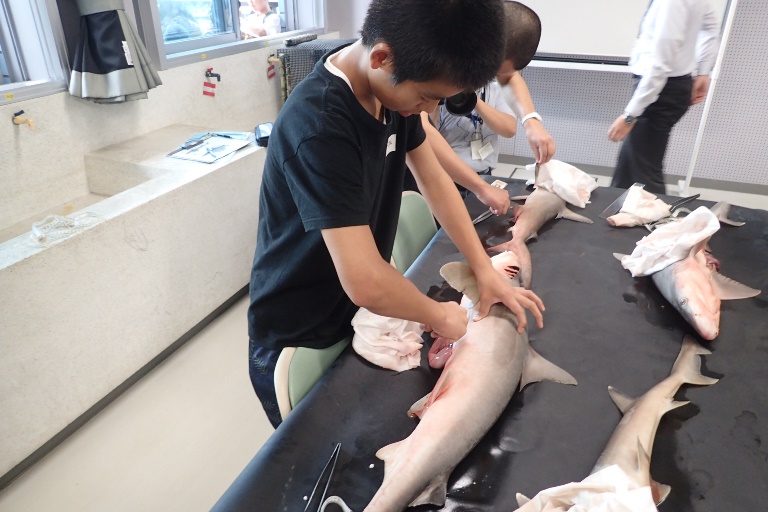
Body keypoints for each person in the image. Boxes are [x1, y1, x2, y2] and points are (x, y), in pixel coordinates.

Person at [247, 0, 545, 428]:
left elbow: (435, 182)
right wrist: (440, 316)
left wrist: (484, 269)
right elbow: (365, 280)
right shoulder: (320, 124)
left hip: (355, 313)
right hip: (300, 328)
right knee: (317, 452)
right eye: (426, 97)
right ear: (382, 57)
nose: (428, 111)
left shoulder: (388, 88)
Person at [419, 1, 555, 216]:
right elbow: (423, 131)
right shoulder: (433, 57)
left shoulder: (470, 42)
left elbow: (509, 77)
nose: (491, 79)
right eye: (492, 72)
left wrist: (531, 121)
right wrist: (481, 188)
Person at [608, 0, 720, 195]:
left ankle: (658, 213)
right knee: (629, 166)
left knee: (645, 174)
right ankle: (615, 206)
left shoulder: (670, 4)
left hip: (660, 93)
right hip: (671, 87)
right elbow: (710, 28)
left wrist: (630, 116)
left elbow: (659, 66)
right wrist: (703, 71)